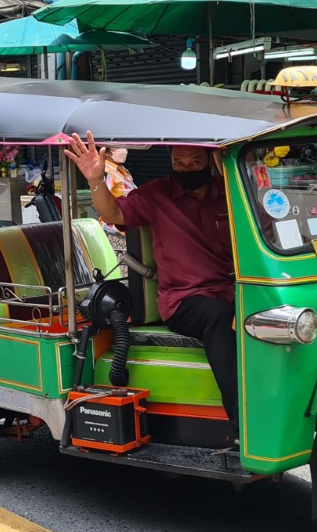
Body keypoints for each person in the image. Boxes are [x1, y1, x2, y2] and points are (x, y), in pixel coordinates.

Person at [65, 132, 239, 444]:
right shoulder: (157, 195)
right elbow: (113, 214)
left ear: (210, 162)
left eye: (195, 162)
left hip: (234, 291)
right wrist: (95, 179)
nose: (186, 169)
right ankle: (243, 423)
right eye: (178, 163)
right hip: (185, 300)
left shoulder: (228, 193)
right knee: (220, 316)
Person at [99, 146, 137, 252]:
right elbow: (103, 199)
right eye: (117, 148)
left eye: (124, 147)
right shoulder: (106, 171)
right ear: (106, 152)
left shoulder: (122, 170)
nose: (123, 150)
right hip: (113, 230)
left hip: (125, 227)